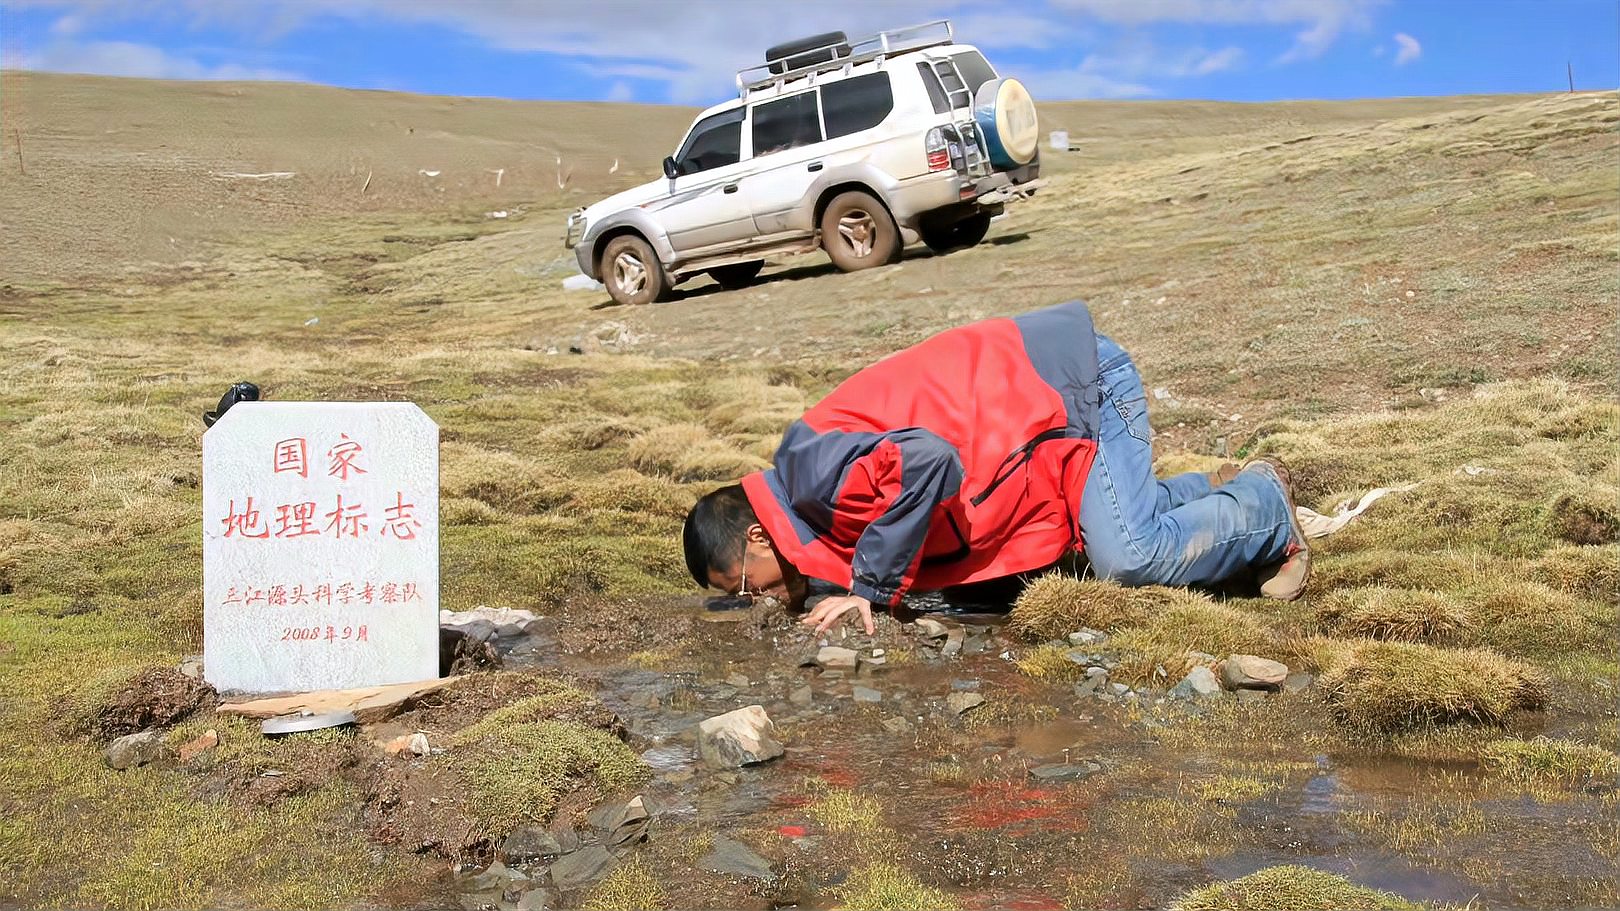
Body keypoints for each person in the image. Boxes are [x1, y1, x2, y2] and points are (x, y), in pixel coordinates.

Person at [682, 300, 1309, 634]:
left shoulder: (815, 478)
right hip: (1041, 423)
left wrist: (870, 592)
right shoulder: (808, 504)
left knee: (1126, 560)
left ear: (760, 536)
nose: (757, 598)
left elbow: (927, 461)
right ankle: (1206, 491)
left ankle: (1265, 508)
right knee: (1092, 546)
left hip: (1078, 386)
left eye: (744, 586)